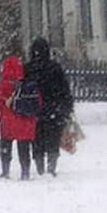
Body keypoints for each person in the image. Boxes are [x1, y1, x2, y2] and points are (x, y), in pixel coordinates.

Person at [0, 33, 37, 179]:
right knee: (24, 148)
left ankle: (5, 170)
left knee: (6, 146)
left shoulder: (4, 84)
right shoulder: (27, 83)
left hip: (8, 121)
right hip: (25, 121)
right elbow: (37, 101)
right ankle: (25, 172)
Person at [25, 36, 74, 177]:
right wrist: (67, 108)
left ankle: (40, 167)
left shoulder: (28, 69)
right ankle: (51, 166)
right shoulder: (55, 68)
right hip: (54, 110)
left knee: (36, 139)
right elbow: (64, 90)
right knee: (53, 138)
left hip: (34, 111)